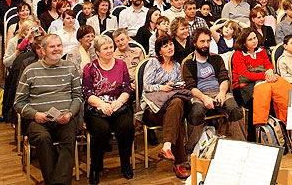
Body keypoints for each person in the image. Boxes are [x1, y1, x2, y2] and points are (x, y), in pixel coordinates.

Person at [14, 35, 83, 185]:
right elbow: (18, 103)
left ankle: (56, 183)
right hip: (38, 120)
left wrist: (70, 113)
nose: (57, 49)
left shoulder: (70, 68)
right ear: (43, 50)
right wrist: (35, 115)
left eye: (59, 45)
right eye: (52, 46)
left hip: (64, 118)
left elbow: (78, 97)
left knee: (69, 139)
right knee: (43, 139)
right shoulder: (30, 70)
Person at [182, 27, 245, 155]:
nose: (206, 45)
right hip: (199, 95)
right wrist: (205, 99)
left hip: (219, 91)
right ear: (194, 43)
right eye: (202, 42)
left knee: (234, 109)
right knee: (196, 113)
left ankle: (242, 148)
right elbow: (190, 87)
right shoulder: (188, 63)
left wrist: (222, 93)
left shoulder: (216, 59)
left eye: (208, 41)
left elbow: (224, 78)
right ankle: (190, 152)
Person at [82, 35, 135, 183]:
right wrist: (102, 105)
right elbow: (87, 93)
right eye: (105, 48)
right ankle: (95, 167)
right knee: (101, 130)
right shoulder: (90, 68)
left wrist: (118, 102)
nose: (110, 50)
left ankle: (125, 165)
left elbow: (127, 87)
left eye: (111, 47)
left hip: (118, 105)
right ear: (97, 52)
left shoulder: (121, 64)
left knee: (126, 127)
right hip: (97, 107)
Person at [140, 34, 190, 179]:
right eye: (165, 45)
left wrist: (179, 86)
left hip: (170, 107)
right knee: (176, 119)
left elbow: (176, 91)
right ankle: (179, 163)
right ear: (159, 50)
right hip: (153, 109)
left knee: (177, 104)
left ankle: (167, 147)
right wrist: (162, 88)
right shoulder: (153, 63)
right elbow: (146, 86)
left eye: (171, 44)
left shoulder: (176, 66)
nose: (170, 47)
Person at [231, 28, 292, 137]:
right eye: (250, 39)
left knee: (276, 97)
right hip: (242, 87)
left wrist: (269, 71)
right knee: (257, 102)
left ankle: (276, 134)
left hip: (261, 82)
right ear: (244, 42)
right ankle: (254, 137)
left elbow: (268, 65)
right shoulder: (238, 54)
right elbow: (245, 75)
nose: (254, 41)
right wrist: (265, 76)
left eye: (255, 38)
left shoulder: (261, 50)